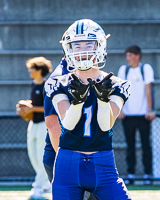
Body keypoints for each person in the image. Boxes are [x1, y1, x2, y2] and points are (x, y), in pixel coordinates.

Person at [45, 19, 131, 200]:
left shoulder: (117, 84)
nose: (82, 50)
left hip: (103, 162)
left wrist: (102, 100)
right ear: (68, 48)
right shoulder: (58, 83)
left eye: (88, 44)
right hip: (67, 162)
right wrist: (77, 102)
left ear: (99, 45)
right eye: (76, 45)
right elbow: (67, 124)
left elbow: (105, 124)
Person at [43, 58, 96, 200]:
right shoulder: (59, 79)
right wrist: (68, 161)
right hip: (68, 157)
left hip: (89, 156)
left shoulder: (88, 73)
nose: (87, 51)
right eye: (80, 45)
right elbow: (53, 124)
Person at [117, 45, 156, 185]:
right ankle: (130, 174)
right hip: (127, 116)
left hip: (143, 115)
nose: (128, 58)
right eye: (127, 55)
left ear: (137, 56)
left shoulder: (146, 69)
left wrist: (150, 110)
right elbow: (120, 91)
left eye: (130, 55)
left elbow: (148, 90)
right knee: (130, 146)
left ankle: (147, 174)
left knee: (146, 145)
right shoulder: (123, 70)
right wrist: (120, 110)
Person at [17, 57, 52, 199]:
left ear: (39, 70)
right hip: (33, 124)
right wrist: (25, 106)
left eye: (32, 68)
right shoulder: (33, 84)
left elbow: (49, 108)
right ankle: (45, 185)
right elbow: (35, 104)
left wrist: (32, 108)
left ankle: (38, 187)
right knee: (33, 156)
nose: (30, 71)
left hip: (44, 125)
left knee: (41, 156)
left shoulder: (47, 86)